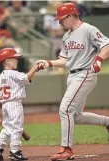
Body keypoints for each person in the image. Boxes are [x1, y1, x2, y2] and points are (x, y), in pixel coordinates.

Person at [36, 3, 109, 161]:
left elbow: (106, 45)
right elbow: (64, 60)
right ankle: (107, 122)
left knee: (65, 109)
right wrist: (49, 63)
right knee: (75, 116)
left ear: (70, 16)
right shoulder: (67, 36)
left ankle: (66, 148)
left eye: (61, 19)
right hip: (73, 75)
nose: (59, 23)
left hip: (85, 73)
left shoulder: (88, 29)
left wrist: (98, 59)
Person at [0, 48, 38, 161]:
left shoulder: (1, 76)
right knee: (17, 127)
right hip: (14, 104)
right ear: (7, 60)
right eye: (14, 58)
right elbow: (27, 78)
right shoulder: (12, 73)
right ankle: (14, 152)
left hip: (5, 105)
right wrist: (35, 67)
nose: (17, 60)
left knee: (7, 128)